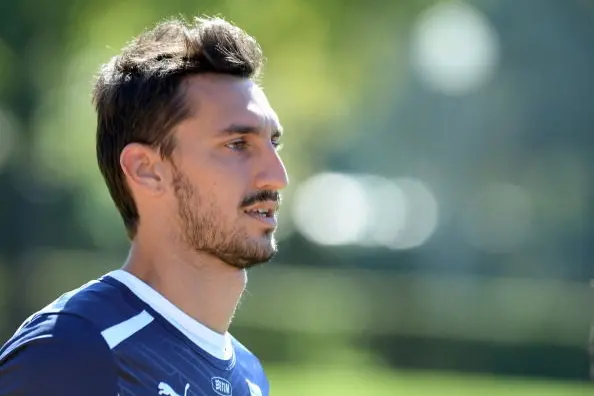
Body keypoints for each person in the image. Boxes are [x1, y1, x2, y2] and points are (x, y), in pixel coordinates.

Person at [0, 15, 287, 396]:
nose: (277, 176)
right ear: (147, 170)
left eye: (274, 144)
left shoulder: (250, 377)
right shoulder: (69, 354)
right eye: (237, 145)